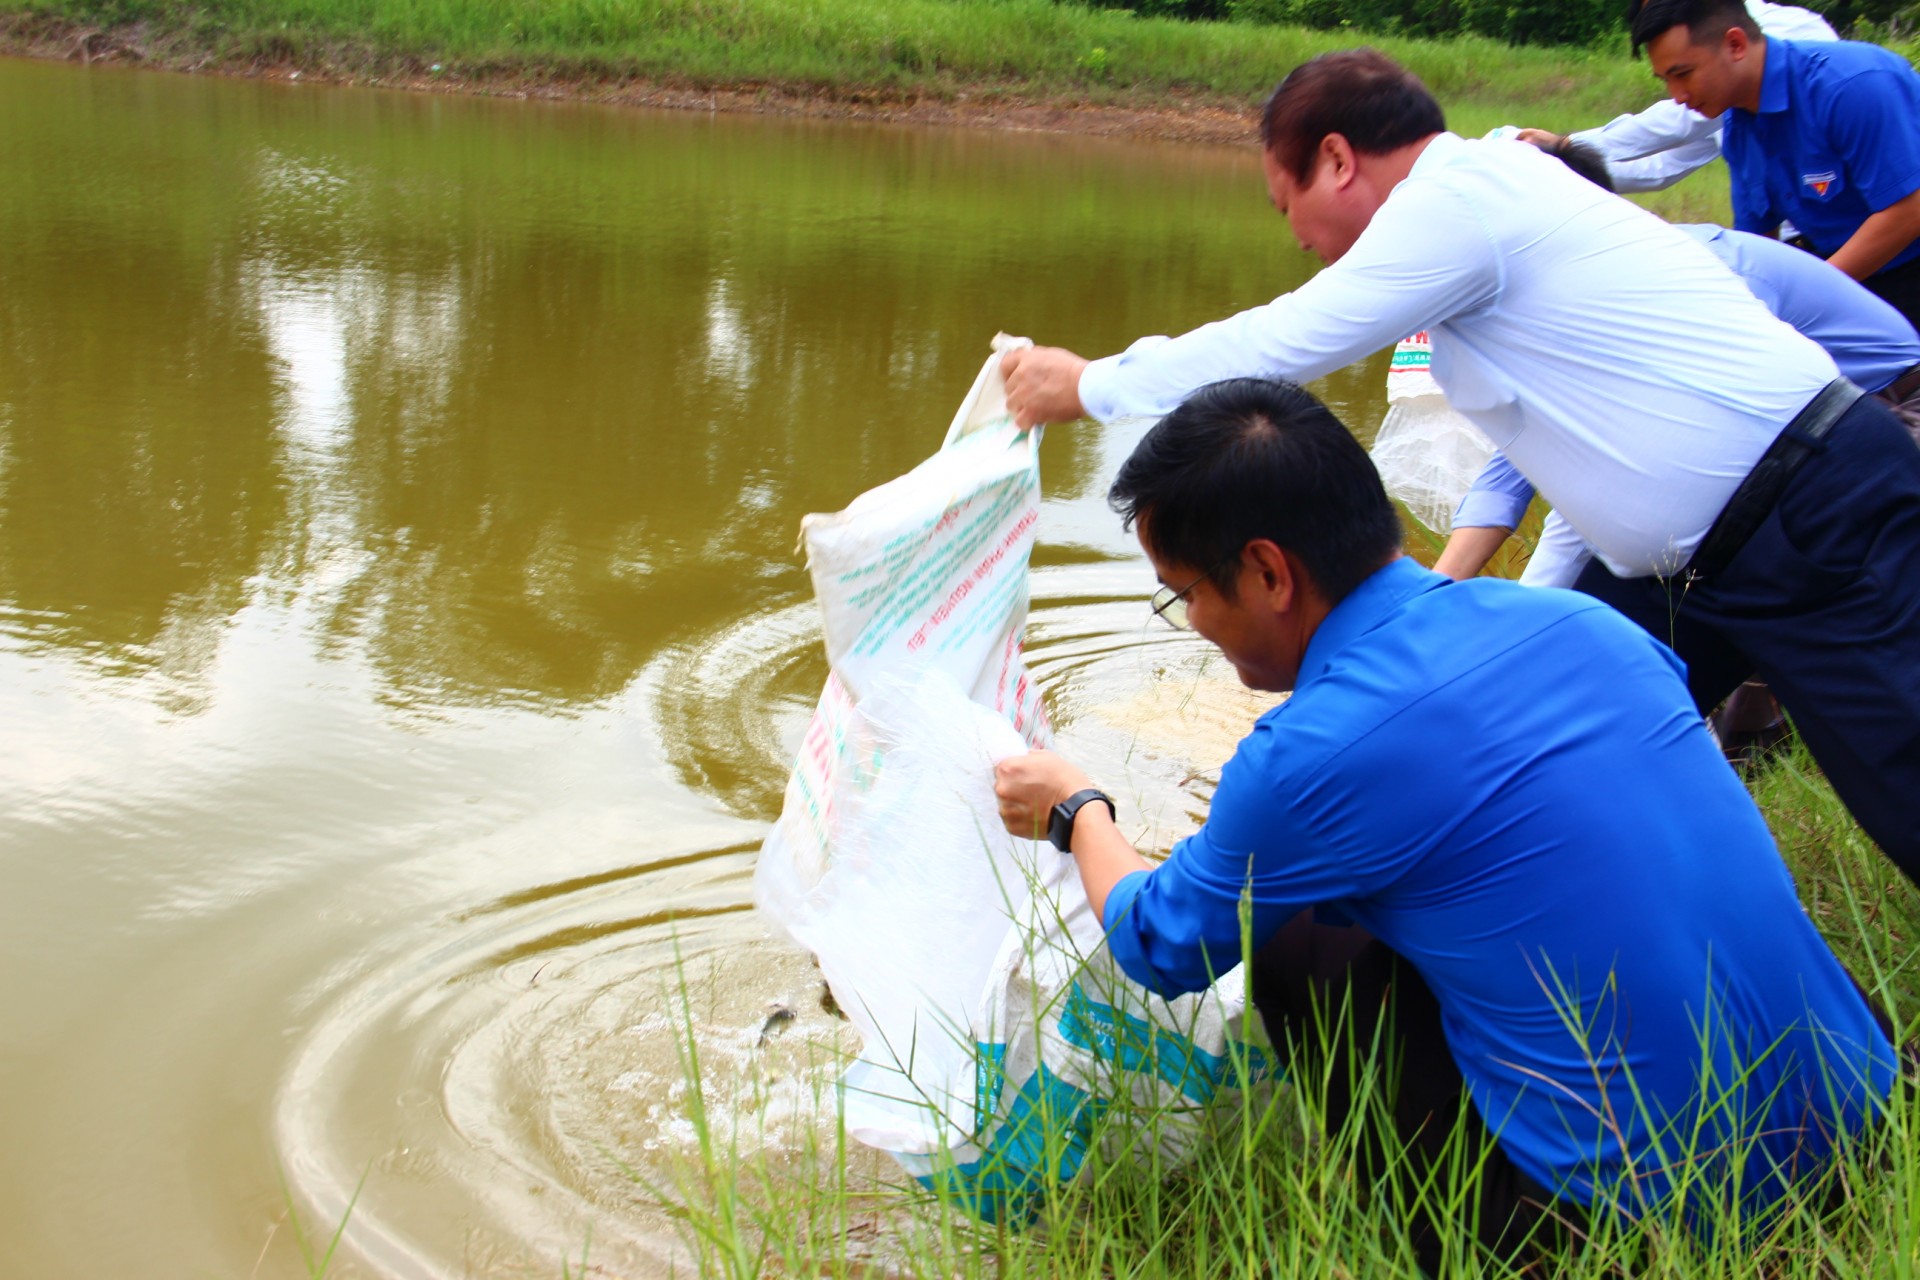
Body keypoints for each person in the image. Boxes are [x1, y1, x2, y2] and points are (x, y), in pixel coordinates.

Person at [992, 377, 1896, 1272]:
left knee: (1298, 943)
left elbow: (1160, 944)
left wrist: (1077, 808)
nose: (1190, 621)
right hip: (1868, 1127)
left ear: (1268, 572)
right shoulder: (1582, 621)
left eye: (1182, 592)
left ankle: (1459, 1239)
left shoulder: (1310, 753)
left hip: (1649, 1231)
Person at [1001, 47, 1920, 889]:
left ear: (1336, 158)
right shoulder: (1484, 212)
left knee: (1902, 777)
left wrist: (1091, 384)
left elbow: (1285, 340)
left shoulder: (1459, 200)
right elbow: (1571, 468)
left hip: (1810, 511)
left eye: (1289, 208)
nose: (1298, 239)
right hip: (1707, 560)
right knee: (1541, 746)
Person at [1630, 0, 1920, 332]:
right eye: (1665, 80)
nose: (1677, 95)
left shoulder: (1852, 85)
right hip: (1846, 275)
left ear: (1735, 44)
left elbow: (1908, 211)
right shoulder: (1739, 127)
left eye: (1683, 74)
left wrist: (1808, 294)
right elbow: (1756, 246)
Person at [1516, 1, 1836, 194]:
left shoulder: (1779, 30)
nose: (1680, 96)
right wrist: (1564, 165)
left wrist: (1566, 146)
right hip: (1797, 226)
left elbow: (1679, 123)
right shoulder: (1728, 111)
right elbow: (1665, 168)